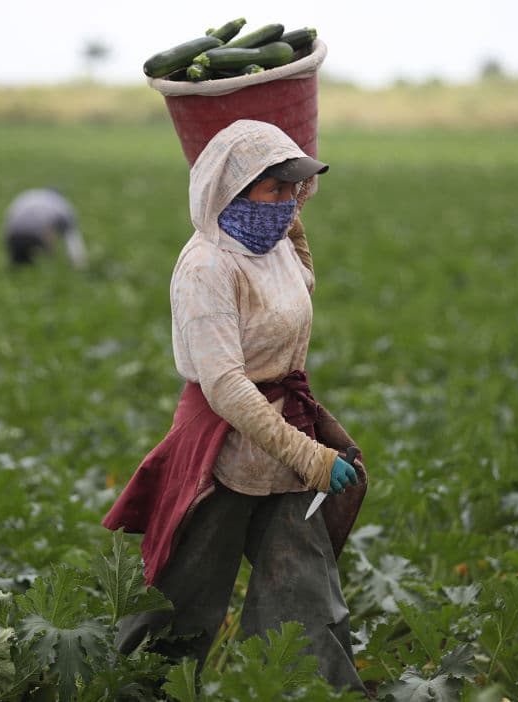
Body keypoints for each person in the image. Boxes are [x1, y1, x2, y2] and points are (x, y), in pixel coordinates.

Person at [103, 119, 369, 693]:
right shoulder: (207, 267)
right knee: (181, 603)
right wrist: (310, 456)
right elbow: (224, 385)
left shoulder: (272, 243)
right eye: (273, 188)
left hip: (284, 436)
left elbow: (303, 286)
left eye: (291, 189)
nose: (284, 202)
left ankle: (316, 692)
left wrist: (294, 220)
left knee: (307, 595)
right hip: (223, 447)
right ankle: (133, 690)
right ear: (232, 190)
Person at [3, 188, 87, 269]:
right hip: (35, 237)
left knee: (18, 264)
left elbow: (9, 218)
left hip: (13, 235)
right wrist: (78, 261)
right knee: (46, 261)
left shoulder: (28, 196)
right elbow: (71, 237)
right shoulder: (61, 204)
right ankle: (47, 272)